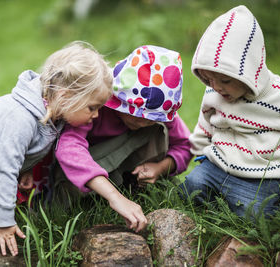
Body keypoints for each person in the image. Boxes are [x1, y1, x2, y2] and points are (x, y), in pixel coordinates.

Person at [0, 41, 113, 256]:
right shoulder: (21, 120)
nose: (96, 115)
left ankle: (1, 225)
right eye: (92, 108)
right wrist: (4, 221)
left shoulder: (55, 109)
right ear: (65, 96)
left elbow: (29, 147)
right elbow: (6, 168)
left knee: (4, 196)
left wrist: (26, 168)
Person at [181, 5, 280, 217]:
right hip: (216, 166)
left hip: (259, 177)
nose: (217, 87)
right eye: (208, 79)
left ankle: (269, 203)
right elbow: (205, 123)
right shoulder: (214, 92)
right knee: (191, 188)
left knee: (257, 214)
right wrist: (197, 151)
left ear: (250, 72)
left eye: (224, 80)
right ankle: (218, 210)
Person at [55, 45, 192, 232]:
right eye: (135, 114)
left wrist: (160, 168)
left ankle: (135, 189)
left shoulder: (157, 110)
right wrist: (115, 197)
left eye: (150, 119)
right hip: (85, 174)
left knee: (158, 131)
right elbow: (69, 147)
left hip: (126, 171)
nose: (143, 122)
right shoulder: (95, 104)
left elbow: (185, 145)